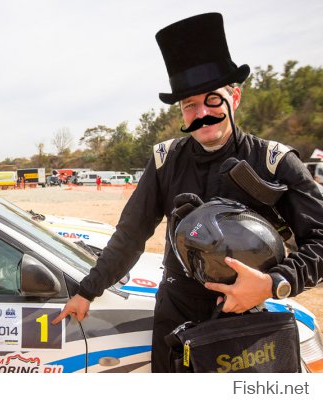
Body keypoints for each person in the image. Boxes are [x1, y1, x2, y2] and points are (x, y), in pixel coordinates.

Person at [52, 12, 323, 372]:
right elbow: (131, 235)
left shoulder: (274, 160)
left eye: (212, 100)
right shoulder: (165, 160)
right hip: (176, 313)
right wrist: (88, 289)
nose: (202, 114)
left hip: (249, 319)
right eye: (189, 106)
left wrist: (275, 284)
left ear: (235, 98)